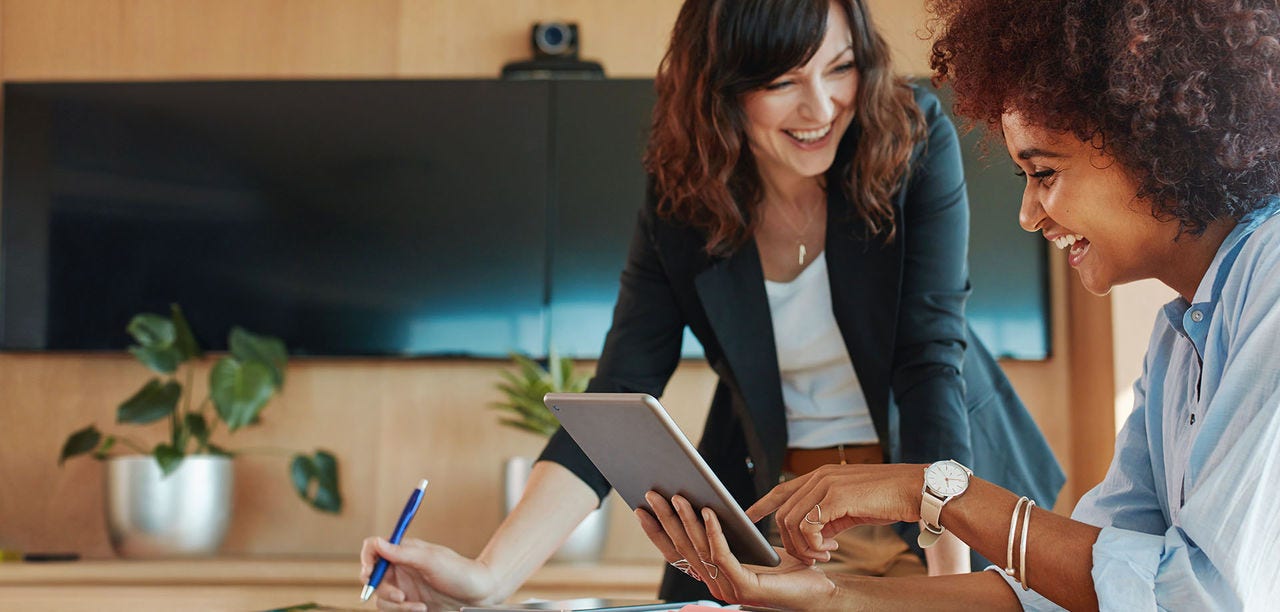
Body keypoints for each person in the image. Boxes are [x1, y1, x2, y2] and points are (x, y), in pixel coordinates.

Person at [358, 0, 1063, 607]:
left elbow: (928, 360)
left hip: (939, 508)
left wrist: (951, 590)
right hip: (786, 523)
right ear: (722, 87)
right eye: (783, 80)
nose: (821, 106)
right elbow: (620, 393)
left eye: (840, 67)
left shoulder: (910, 137)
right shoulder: (684, 196)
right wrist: (486, 578)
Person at [635, 0, 1280, 609]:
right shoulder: (1179, 338)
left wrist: (937, 493)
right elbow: (1081, 593)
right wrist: (825, 597)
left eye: (1044, 173)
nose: (1029, 215)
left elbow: (1194, 595)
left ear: (1155, 136)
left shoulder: (1271, 279)